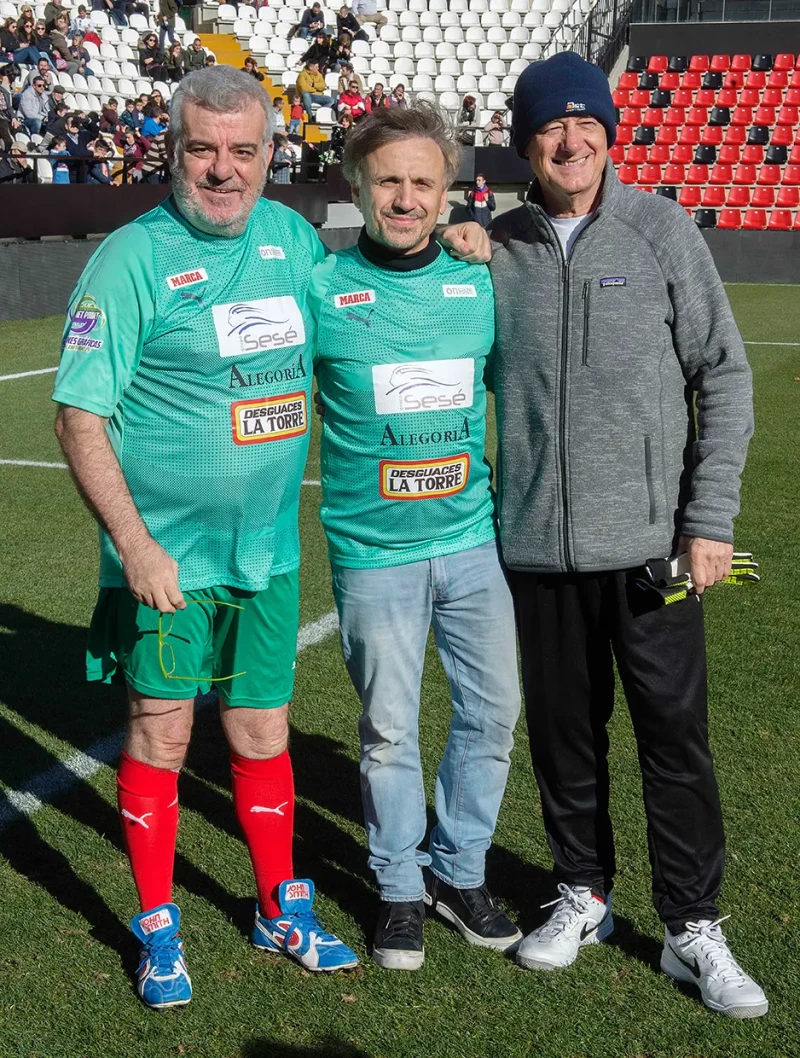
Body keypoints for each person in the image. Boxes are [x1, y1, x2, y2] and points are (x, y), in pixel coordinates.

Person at [52, 67, 361, 1012]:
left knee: (262, 729)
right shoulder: (131, 259)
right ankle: (157, 927)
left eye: (241, 151)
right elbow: (77, 415)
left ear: (271, 154)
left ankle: (280, 907)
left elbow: (357, 319)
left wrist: (457, 244)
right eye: (201, 150)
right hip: (167, 566)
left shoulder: (293, 240)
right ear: (173, 152)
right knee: (163, 733)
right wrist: (136, 548)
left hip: (268, 552)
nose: (221, 171)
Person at [488, 51, 768, 1019]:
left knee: (672, 740)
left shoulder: (659, 230)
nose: (570, 142)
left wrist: (707, 521)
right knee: (565, 737)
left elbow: (722, 375)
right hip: (532, 549)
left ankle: (691, 925)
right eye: (550, 127)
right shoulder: (495, 246)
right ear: (524, 140)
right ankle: (583, 892)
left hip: (652, 547)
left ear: (610, 133)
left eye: (586, 126)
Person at [311, 103, 521, 972]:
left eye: (422, 182)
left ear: (448, 194)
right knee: (389, 729)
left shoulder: (482, 283)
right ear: (357, 186)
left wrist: (491, 243)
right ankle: (399, 886)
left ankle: (458, 870)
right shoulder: (317, 288)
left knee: (494, 713)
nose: (404, 197)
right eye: (388, 179)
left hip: (474, 545)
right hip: (373, 556)